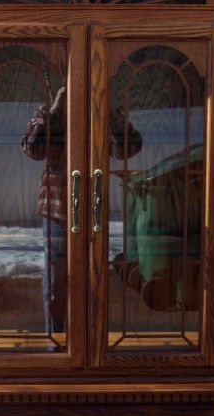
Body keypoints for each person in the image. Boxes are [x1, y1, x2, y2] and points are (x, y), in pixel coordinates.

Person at [21, 85, 142, 337]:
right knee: (56, 286)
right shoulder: (48, 113)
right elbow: (33, 149)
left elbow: (130, 147)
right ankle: (56, 347)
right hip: (58, 213)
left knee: (93, 279)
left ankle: (90, 347)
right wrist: (56, 107)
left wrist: (109, 111)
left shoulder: (101, 114)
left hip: (93, 214)